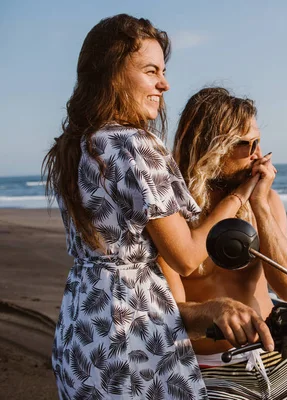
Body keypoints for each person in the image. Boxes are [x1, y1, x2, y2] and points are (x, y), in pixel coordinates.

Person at [44, 15, 273, 400]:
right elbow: (185, 257)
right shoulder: (132, 144)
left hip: (82, 324)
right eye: (151, 71)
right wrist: (239, 197)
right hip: (131, 333)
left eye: (162, 72)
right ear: (114, 74)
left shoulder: (79, 146)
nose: (164, 84)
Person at [159, 87, 287, 399]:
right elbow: (170, 312)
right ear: (212, 147)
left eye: (258, 142)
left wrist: (261, 206)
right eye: (246, 144)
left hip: (280, 354)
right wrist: (214, 309)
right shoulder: (172, 214)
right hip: (212, 368)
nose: (258, 153)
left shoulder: (265, 202)